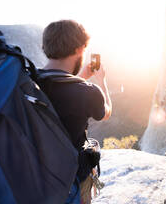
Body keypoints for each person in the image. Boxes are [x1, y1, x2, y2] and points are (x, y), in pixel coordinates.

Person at [38, 20, 112, 204]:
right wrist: (102, 82)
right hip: (71, 180)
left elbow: (57, 89)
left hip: (33, 176)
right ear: (80, 49)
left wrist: (80, 78)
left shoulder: (28, 80)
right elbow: (105, 113)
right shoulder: (87, 92)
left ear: (46, 47)